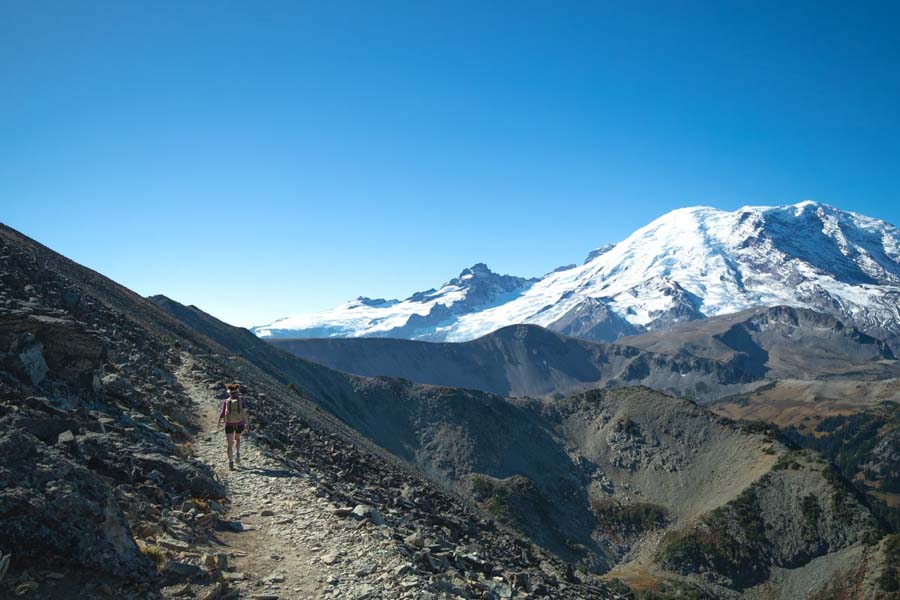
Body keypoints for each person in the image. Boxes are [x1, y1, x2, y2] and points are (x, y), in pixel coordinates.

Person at [217, 382, 249, 470]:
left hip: (229, 424)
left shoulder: (226, 401)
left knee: (229, 444)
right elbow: (244, 413)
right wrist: (247, 424)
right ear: (237, 391)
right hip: (240, 423)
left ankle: (231, 462)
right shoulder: (242, 400)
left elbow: (223, 413)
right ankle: (238, 453)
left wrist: (219, 423)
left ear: (229, 392)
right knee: (237, 438)